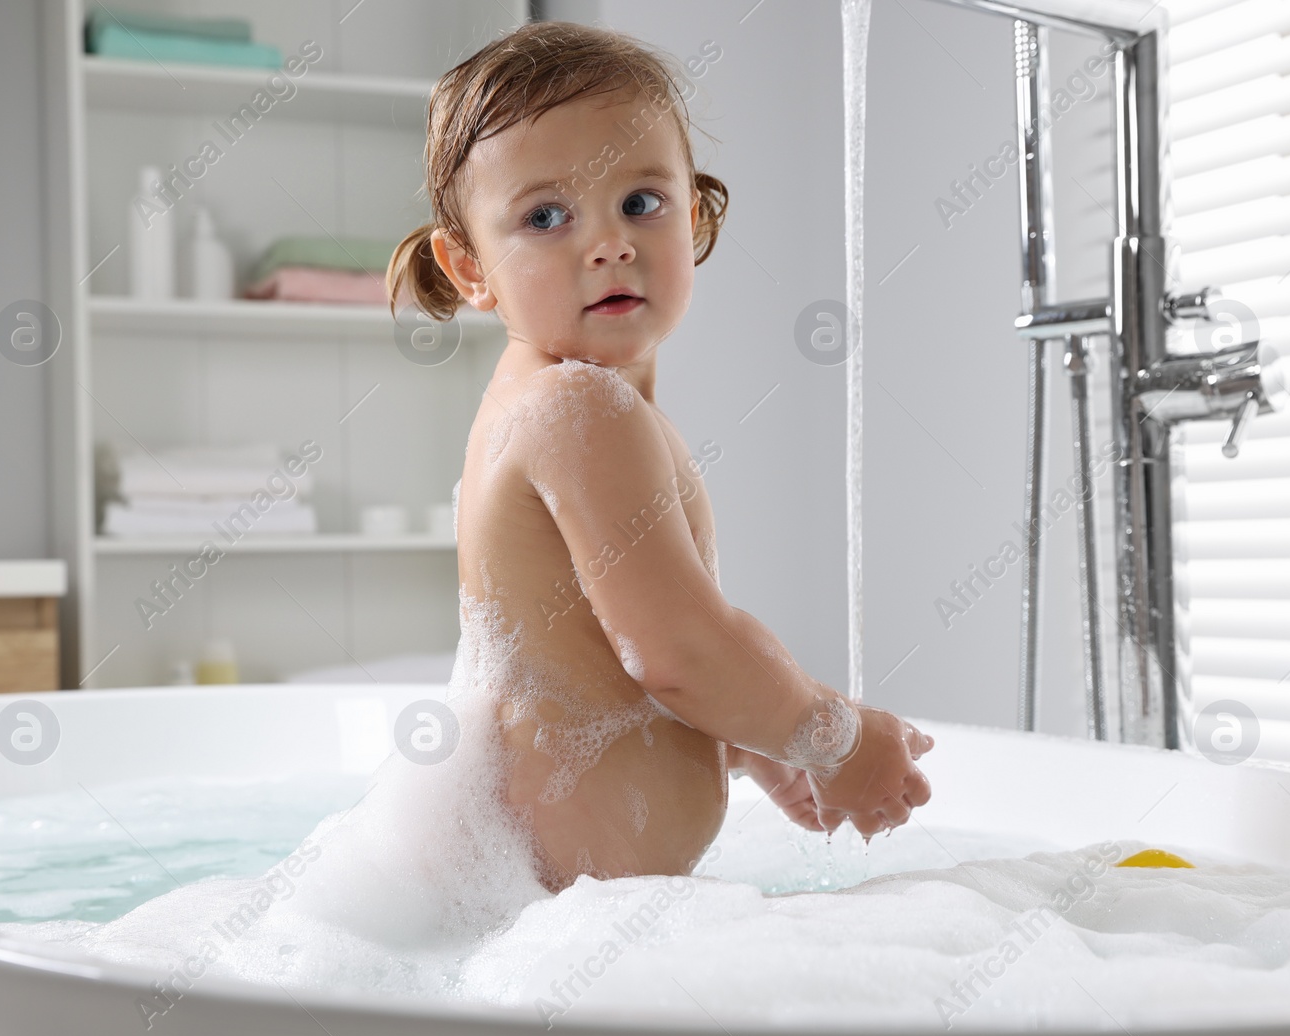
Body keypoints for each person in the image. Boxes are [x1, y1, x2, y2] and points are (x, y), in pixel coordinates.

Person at [387, 21, 933, 893]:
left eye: (642, 202)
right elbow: (676, 649)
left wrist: (752, 742)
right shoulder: (578, 410)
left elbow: (594, 663)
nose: (608, 243)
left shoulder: (556, 398)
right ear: (468, 266)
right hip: (563, 924)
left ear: (698, 213)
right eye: (545, 216)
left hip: (544, 914)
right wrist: (832, 737)